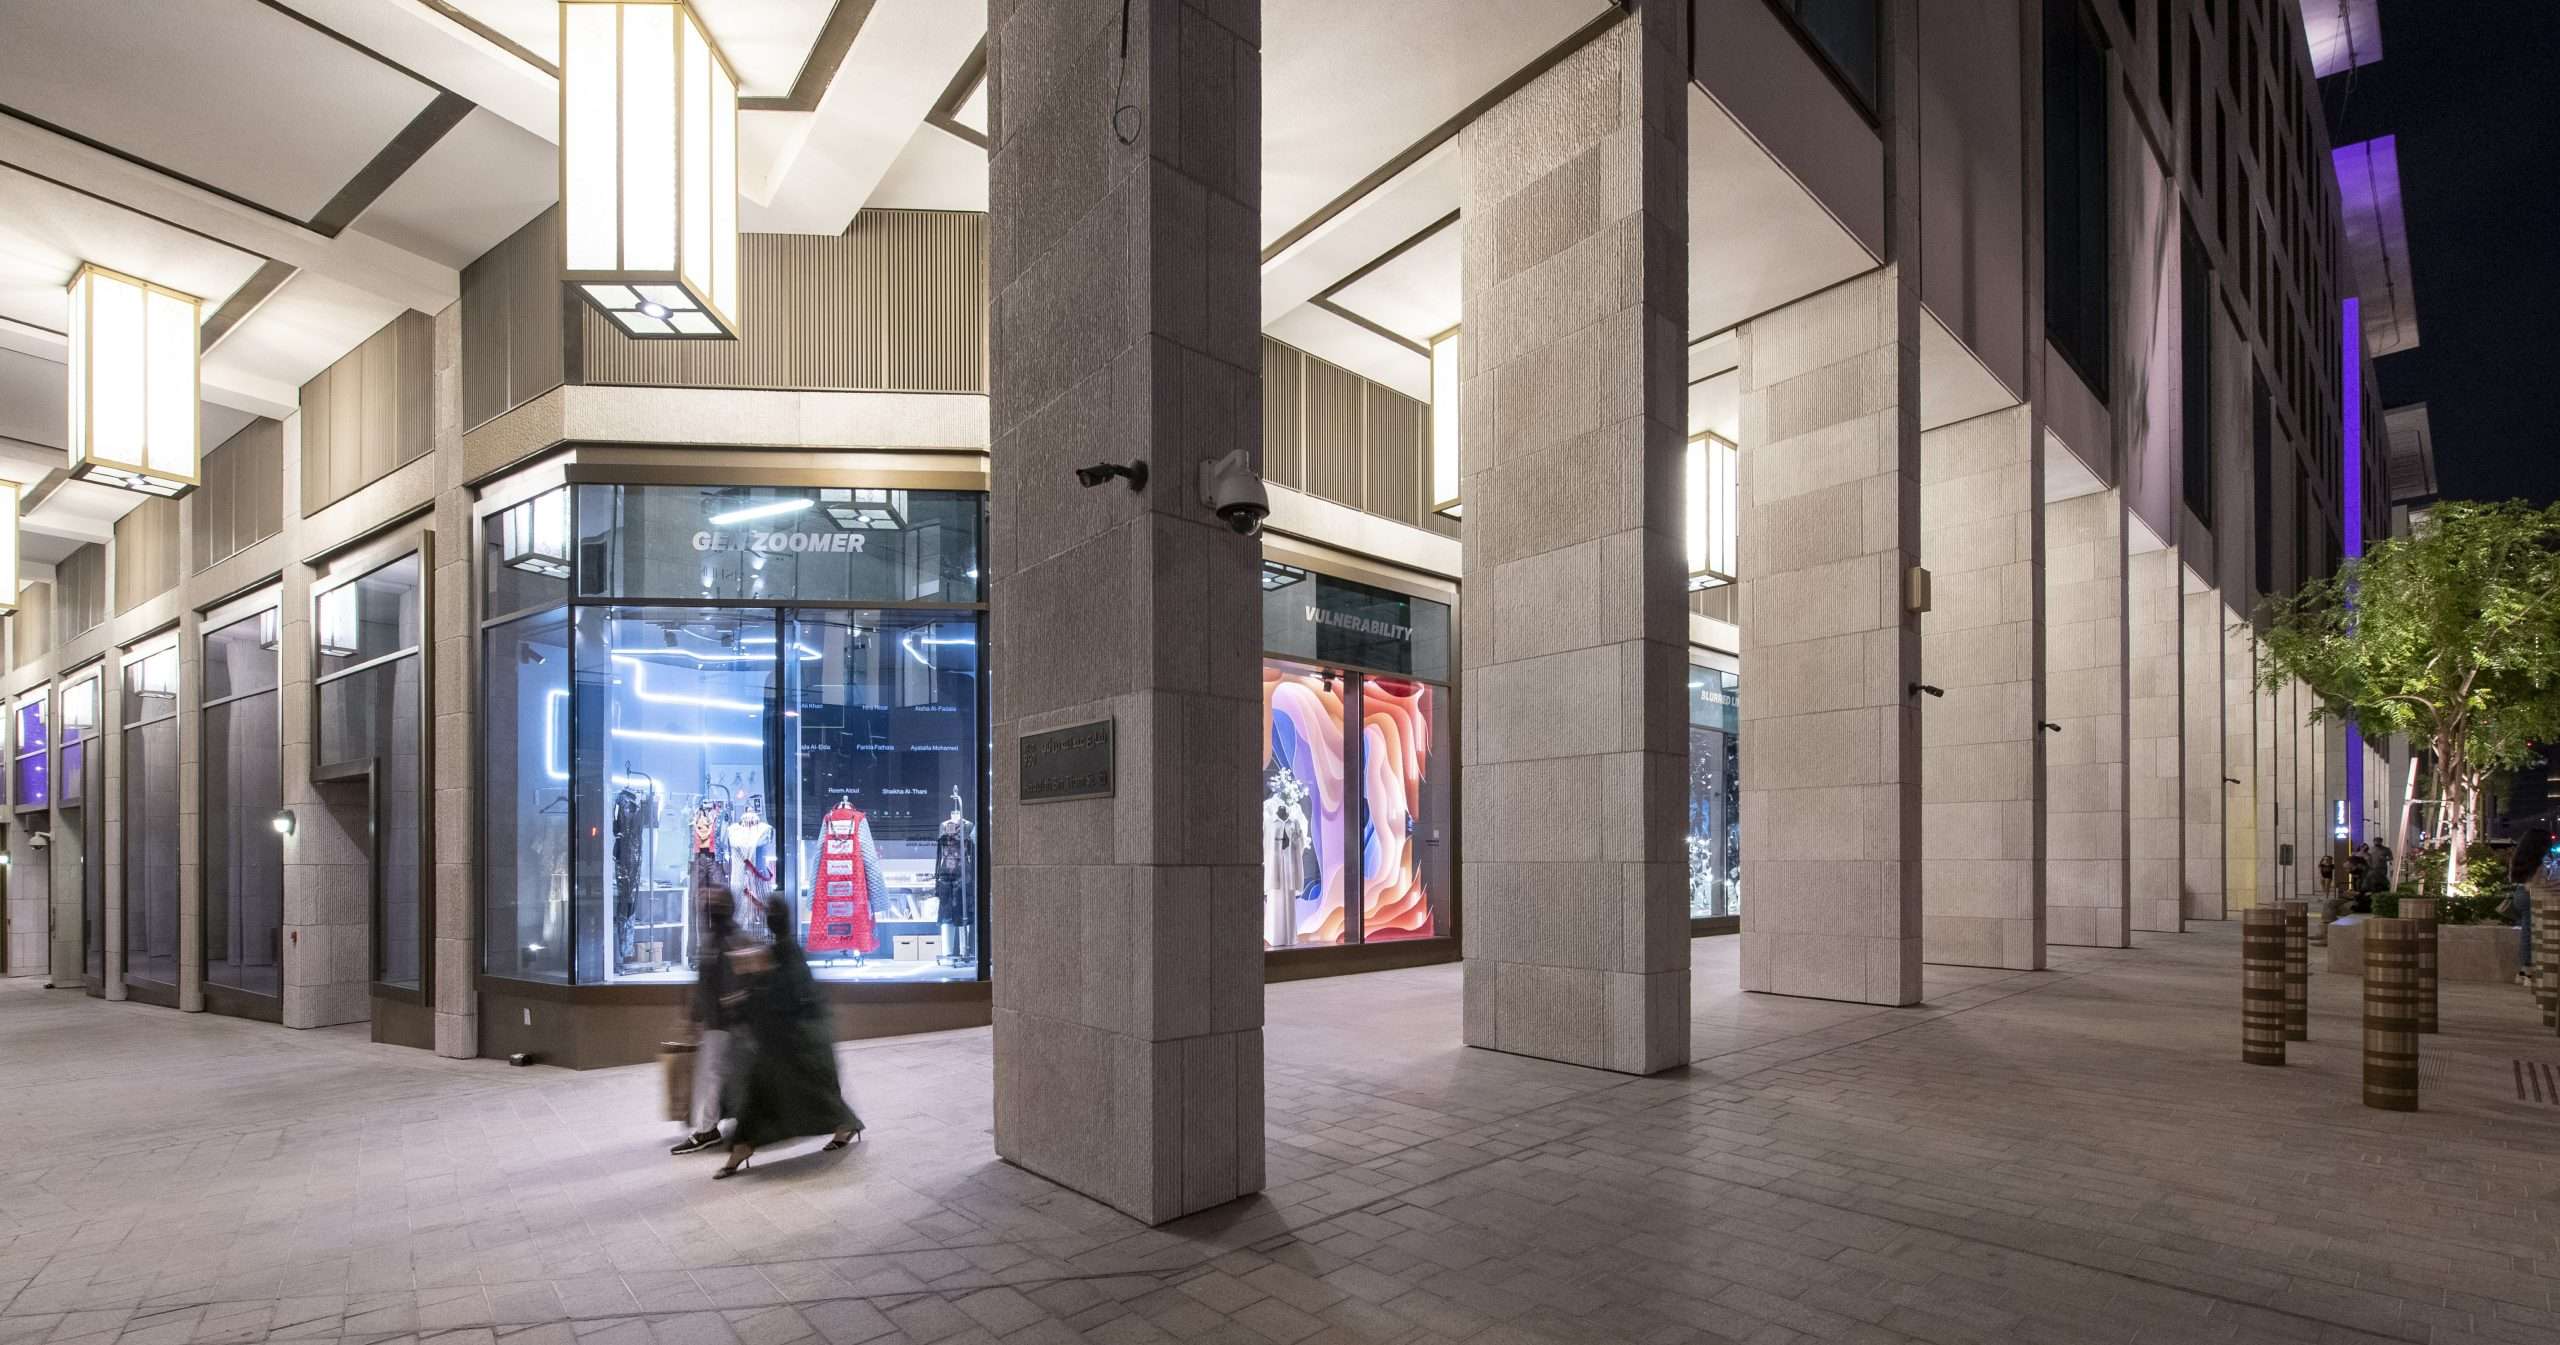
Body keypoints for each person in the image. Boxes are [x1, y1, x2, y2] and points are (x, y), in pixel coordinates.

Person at [715, 896, 862, 1179]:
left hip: (793, 1045)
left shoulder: (783, 953)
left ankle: (845, 1125)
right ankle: (743, 1148)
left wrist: (748, 994)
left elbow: (783, 998)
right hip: (785, 1044)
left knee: (802, 1095)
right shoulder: (783, 951)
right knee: (774, 1095)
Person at [672, 885, 749, 1155]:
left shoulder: (725, 940)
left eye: (712, 902)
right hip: (720, 1022)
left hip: (722, 1024)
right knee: (718, 1075)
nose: (706, 906)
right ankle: (713, 1125)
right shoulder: (719, 938)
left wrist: (703, 1017)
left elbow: (725, 984)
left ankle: (707, 1129)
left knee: (712, 1075)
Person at [2511, 827, 2554, 983]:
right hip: (2532, 896)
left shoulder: (2522, 854)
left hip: (2520, 894)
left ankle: (2524, 971)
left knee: (2527, 931)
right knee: (2530, 933)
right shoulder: (2540, 858)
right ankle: (2527, 970)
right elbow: (2540, 881)